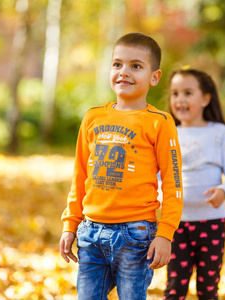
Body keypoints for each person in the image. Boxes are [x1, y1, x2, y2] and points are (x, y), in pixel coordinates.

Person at [59, 32, 183, 300]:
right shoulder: (93, 118)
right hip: (90, 232)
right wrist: (70, 224)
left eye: (136, 66)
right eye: (117, 64)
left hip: (136, 235)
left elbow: (174, 183)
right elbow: (80, 176)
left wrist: (166, 233)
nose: (124, 72)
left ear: (154, 77)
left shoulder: (160, 123)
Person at [163, 68, 225, 299]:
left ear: (205, 98)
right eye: (175, 93)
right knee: (174, 286)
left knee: (208, 288)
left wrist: (224, 190)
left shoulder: (219, 134)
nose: (180, 99)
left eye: (188, 93)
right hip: (176, 224)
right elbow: (159, 174)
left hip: (211, 223)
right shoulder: (169, 134)